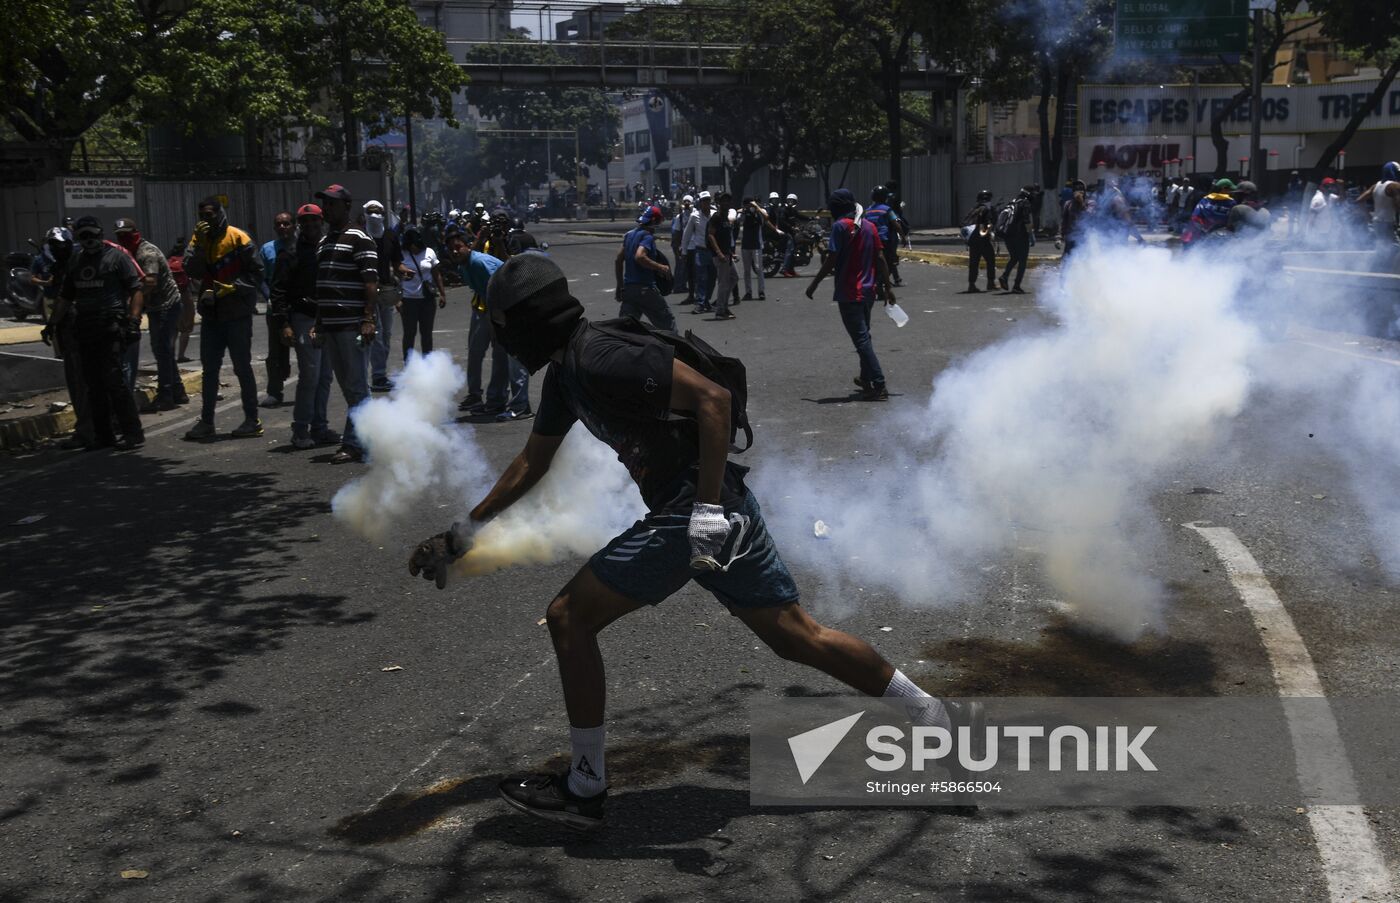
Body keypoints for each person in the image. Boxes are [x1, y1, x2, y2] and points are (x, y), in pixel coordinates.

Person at [406, 251, 980, 831]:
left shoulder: (603, 357)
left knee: (568, 618)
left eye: (501, 325)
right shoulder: (565, 375)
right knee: (796, 637)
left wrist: (704, 510)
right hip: (716, 510)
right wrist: (462, 534)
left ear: (527, 321)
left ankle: (584, 786)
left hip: (694, 513)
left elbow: (714, 399)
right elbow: (533, 461)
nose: (500, 338)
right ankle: (933, 719)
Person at [48, 216, 145, 450]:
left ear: (100, 234)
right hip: (85, 328)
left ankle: (133, 433)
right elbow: (65, 297)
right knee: (93, 385)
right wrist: (51, 324)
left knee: (115, 382)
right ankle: (104, 436)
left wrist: (133, 321)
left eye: (93, 234)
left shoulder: (117, 257)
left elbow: (136, 289)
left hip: (110, 326)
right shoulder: (76, 261)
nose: (89, 240)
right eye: (84, 236)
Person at [182, 196, 264, 440]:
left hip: (237, 314)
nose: (207, 220)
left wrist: (235, 287)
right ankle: (207, 422)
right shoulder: (198, 240)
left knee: (242, 368)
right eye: (202, 216)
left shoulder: (238, 238)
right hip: (211, 315)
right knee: (210, 370)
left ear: (221, 213)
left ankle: (252, 420)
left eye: (211, 214)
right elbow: (191, 269)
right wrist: (199, 246)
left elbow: (258, 273)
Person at [805, 188, 894, 401]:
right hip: (869, 292)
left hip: (849, 292)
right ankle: (866, 380)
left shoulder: (840, 227)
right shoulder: (870, 227)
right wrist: (888, 287)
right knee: (865, 337)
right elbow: (880, 258)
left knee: (862, 340)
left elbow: (832, 259)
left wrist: (814, 284)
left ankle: (879, 384)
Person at [312, 184, 379, 463]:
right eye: (324, 204)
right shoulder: (324, 242)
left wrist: (367, 319)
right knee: (349, 387)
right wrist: (319, 323)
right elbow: (322, 288)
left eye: (331, 204)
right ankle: (367, 437)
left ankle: (354, 443)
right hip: (332, 325)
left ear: (346, 207)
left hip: (353, 324)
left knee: (357, 386)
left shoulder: (360, 239)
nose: (326, 209)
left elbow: (371, 284)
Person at [269, 204, 338, 450]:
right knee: (310, 374)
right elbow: (278, 292)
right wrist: (284, 324)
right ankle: (300, 430)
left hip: (328, 318)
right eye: (305, 222)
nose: (310, 226)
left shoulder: (329, 247)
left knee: (325, 376)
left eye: (314, 221)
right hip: (303, 318)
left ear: (322, 222)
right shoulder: (290, 253)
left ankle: (319, 427)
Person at [445, 229, 531, 421]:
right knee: (499, 357)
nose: (455, 252)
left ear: (468, 246)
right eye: (451, 249)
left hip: (512, 306)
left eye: (458, 247)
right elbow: (487, 294)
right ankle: (496, 402)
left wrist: (498, 322)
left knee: (513, 361)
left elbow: (501, 288)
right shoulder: (464, 267)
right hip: (497, 310)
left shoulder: (478, 262)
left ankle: (520, 406)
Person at [115, 218, 184, 410]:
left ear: (135, 233)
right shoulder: (129, 253)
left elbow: (150, 282)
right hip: (156, 307)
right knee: (164, 350)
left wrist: (132, 299)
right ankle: (177, 391)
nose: (123, 239)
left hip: (165, 305)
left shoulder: (146, 253)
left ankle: (166, 395)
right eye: (120, 236)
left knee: (162, 351)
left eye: (126, 235)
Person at [363, 200, 405, 393]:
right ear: (365, 214)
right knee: (376, 334)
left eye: (377, 212)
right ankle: (377, 376)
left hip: (387, 292)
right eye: (370, 212)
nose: (374, 215)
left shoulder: (390, 236)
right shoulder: (361, 236)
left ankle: (380, 373)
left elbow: (397, 263)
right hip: (367, 292)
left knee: (386, 334)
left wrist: (406, 273)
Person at [614, 205, 676, 331]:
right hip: (646, 289)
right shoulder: (647, 237)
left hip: (629, 290)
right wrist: (660, 267)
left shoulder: (629, 235)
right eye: (659, 221)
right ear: (654, 221)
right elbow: (640, 256)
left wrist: (620, 286)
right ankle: (675, 349)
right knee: (668, 325)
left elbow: (618, 260)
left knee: (625, 329)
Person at [258, 211, 295, 407]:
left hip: (298, 307)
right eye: (279, 224)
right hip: (276, 307)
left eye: (286, 224)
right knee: (275, 351)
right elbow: (261, 278)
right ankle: (274, 391)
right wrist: (268, 297)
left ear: (294, 226)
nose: (283, 227)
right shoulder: (268, 249)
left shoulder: (302, 248)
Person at [399, 226, 447, 359]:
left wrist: (442, 294)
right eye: (415, 246)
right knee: (409, 334)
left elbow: (436, 274)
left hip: (427, 299)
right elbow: (395, 270)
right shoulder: (402, 254)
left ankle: (427, 363)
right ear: (408, 244)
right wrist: (404, 271)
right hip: (408, 299)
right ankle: (409, 365)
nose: (418, 248)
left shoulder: (429, 252)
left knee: (426, 334)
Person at [738, 196, 782, 301]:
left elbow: (766, 218)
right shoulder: (743, 213)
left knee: (759, 269)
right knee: (747, 270)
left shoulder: (760, 211)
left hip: (757, 244)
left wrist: (756, 208)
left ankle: (761, 291)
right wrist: (745, 210)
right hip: (745, 244)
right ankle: (748, 292)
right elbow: (737, 219)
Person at [703, 193, 738, 320]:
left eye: (728, 201)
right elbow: (711, 236)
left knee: (734, 278)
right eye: (724, 201)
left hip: (727, 254)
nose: (726, 203)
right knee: (723, 283)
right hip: (720, 255)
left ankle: (723, 305)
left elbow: (726, 238)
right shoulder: (716, 217)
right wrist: (719, 253)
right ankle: (720, 311)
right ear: (719, 203)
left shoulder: (725, 217)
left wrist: (731, 253)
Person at [682, 191, 714, 311]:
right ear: (700, 203)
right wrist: (684, 251)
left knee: (712, 277)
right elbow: (687, 234)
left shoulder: (715, 215)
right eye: (704, 201)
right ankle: (700, 302)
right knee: (701, 277)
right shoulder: (694, 216)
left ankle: (706, 301)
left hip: (713, 251)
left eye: (708, 200)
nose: (706, 203)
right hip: (700, 250)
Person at [866, 186, 901, 297]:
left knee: (875, 265)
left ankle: (879, 287)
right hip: (883, 240)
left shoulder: (868, 210)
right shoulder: (887, 209)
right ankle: (879, 283)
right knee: (890, 264)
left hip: (870, 240)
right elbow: (896, 224)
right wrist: (903, 237)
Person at [998, 187, 1034, 293]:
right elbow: (1027, 220)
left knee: (1014, 257)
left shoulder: (1012, 203)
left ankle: (1005, 276)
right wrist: (1031, 235)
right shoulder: (1025, 203)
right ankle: (1016, 286)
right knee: (1022, 260)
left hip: (1008, 235)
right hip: (1020, 236)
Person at [1182, 178, 1237, 246]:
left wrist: (1204, 230)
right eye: (1230, 190)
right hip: (1223, 238)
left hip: (1203, 236)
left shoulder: (1205, 200)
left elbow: (1195, 217)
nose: (1231, 192)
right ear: (1224, 189)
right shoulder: (1231, 202)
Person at [963, 189, 996, 292]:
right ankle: (991, 283)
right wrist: (989, 233)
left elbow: (964, 222)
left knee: (974, 263)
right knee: (990, 260)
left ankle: (971, 284)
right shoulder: (986, 210)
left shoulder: (974, 209)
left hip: (973, 240)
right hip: (983, 240)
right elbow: (987, 224)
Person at [1059, 180, 1091, 258]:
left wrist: (1081, 202)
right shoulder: (1068, 204)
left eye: (1080, 189)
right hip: (1070, 239)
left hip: (1083, 239)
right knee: (1066, 263)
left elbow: (1089, 215)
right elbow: (1063, 222)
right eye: (1076, 189)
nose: (1078, 191)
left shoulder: (1090, 203)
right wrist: (1059, 237)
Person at [670, 195, 693, 302]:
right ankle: (678, 286)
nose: (687, 204)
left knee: (689, 266)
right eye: (685, 202)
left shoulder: (695, 215)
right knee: (680, 265)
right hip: (681, 245)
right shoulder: (679, 217)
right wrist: (677, 247)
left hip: (692, 245)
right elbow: (675, 233)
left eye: (689, 202)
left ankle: (683, 285)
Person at [779, 193, 805, 276]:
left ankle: (791, 270)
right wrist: (792, 227)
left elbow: (800, 216)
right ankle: (784, 269)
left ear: (795, 202)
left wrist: (812, 218)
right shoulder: (784, 210)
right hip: (785, 232)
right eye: (789, 200)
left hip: (790, 232)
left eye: (792, 201)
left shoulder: (792, 211)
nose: (790, 202)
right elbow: (782, 221)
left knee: (795, 249)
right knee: (790, 249)